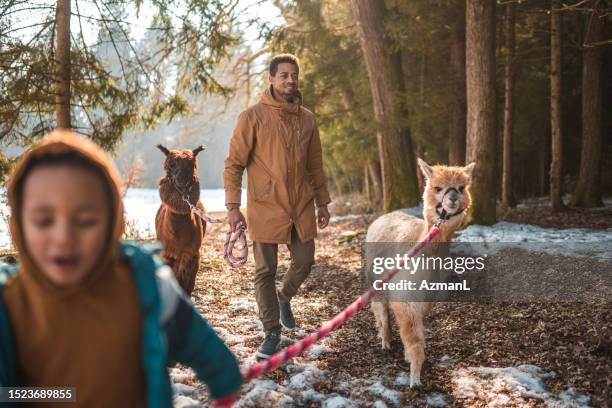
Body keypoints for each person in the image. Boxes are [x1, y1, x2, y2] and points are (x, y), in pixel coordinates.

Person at [0, 130, 242, 407]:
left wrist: (225, 379)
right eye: (44, 220)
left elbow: (199, 342)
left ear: (111, 221)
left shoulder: (145, 285)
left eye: (86, 220)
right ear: (19, 226)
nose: (64, 237)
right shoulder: (9, 304)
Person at [224, 54, 331, 359]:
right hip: (265, 204)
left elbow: (315, 166)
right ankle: (271, 331)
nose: (290, 80)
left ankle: (284, 297)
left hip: (300, 204)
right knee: (265, 270)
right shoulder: (252, 117)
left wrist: (322, 202)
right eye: (283, 75)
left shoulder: (308, 119)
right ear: (271, 79)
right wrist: (233, 206)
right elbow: (233, 164)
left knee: (305, 260)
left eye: (294, 75)